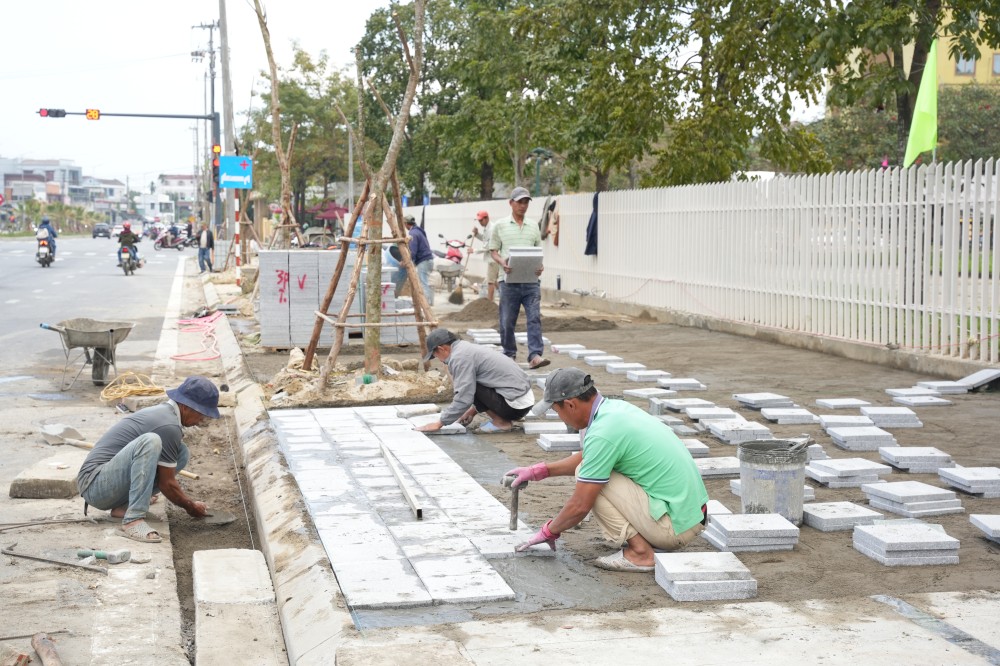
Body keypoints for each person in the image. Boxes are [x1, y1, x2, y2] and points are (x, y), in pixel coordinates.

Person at [507, 368, 709, 571]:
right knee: (591, 470)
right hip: (690, 515)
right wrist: (538, 471)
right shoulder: (614, 410)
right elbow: (592, 456)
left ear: (570, 404)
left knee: (588, 477)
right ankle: (647, 539)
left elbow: (580, 506)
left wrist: (548, 532)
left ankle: (640, 553)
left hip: (675, 529)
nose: (560, 417)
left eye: (556, 410)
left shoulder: (603, 432)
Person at [76, 376, 221, 543]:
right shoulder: (169, 426)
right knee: (150, 441)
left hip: (106, 482)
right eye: (202, 414)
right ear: (187, 407)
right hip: (95, 486)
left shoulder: (167, 415)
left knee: (181, 452)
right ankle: (133, 519)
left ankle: (124, 507)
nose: (202, 420)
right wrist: (190, 506)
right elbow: (167, 483)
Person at [415, 328, 535, 434]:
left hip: (515, 406)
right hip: (523, 400)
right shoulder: (465, 348)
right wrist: (472, 411)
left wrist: (440, 423)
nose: (439, 360)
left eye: (435, 355)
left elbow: (464, 397)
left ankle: (501, 423)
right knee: (471, 382)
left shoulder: (459, 358)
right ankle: (504, 418)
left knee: (468, 386)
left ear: (442, 349)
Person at [489, 187, 548, 368]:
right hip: (508, 282)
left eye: (526, 202)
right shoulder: (500, 225)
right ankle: (509, 354)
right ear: (511, 203)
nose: (523, 206)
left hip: (531, 281)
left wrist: (540, 267)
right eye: (520, 202)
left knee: (534, 318)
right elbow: (493, 251)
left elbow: (538, 252)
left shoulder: (533, 227)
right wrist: (502, 263)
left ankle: (535, 356)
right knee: (507, 320)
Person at [404, 215, 435, 305]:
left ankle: (426, 304)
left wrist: (407, 261)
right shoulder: (419, 231)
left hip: (423, 260)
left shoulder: (413, 234)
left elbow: (413, 251)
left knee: (423, 283)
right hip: (428, 259)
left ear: (406, 224)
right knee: (425, 281)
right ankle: (428, 302)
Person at [471, 210, 498, 301]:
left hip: (493, 259)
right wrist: (477, 234)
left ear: (486, 218)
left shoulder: (491, 229)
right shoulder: (487, 228)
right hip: (494, 259)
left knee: (491, 282)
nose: (480, 222)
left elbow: (488, 246)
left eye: (481, 220)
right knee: (496, 281)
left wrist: (474, 250)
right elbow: (485, 239)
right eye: (479, 221)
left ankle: (490, 303)